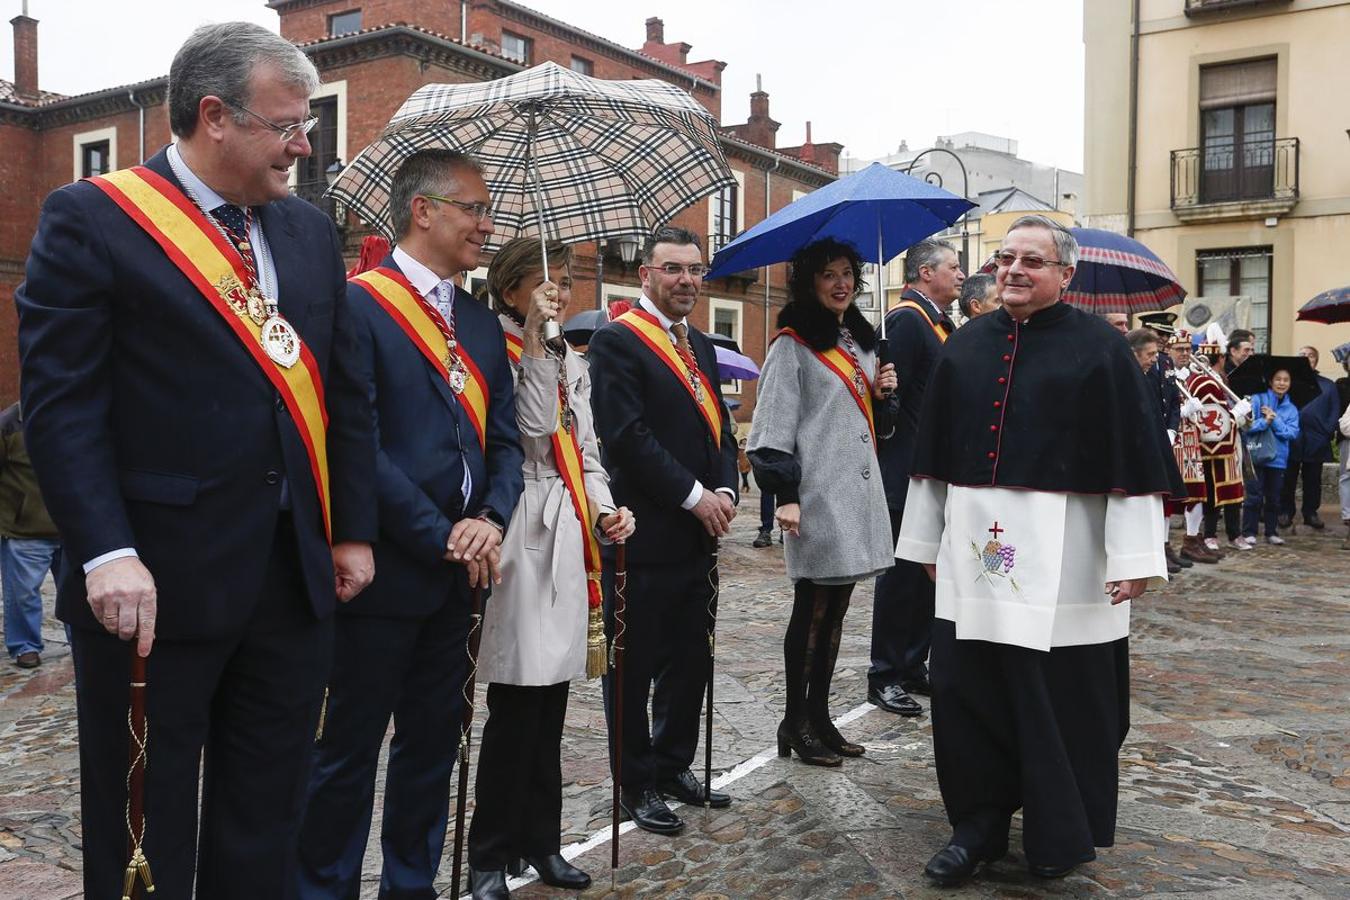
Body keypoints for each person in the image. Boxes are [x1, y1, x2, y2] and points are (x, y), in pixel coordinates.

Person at [15, 24, 377, 898]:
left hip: (290, 583)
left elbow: (342, 396)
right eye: (287, 125)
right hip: (151, 584)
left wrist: (352, 532)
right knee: (145, 821)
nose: (304, 144)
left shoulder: (304, 232)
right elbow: (63, 409)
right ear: (214, 116)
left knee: (265, 817)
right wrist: (104, 550)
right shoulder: (93, 219)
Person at [896, 215, 1177, 887]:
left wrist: (1136, 556)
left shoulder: (1101, 352)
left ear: (1065, 275)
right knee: (969, 693)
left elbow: (1134, 461)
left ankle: (1059, 829)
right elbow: (933, 459)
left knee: (1062, 701)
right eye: (1006, 258)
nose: (1015, 270)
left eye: (1033, 260)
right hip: (974, 559)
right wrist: (925, 539)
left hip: (1071, 562)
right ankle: (977, 826)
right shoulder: (965, 347)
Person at [297, 149, 523, 898]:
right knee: (348, 751)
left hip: (462, 577)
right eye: (474, 209)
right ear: (422, 210)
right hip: (386, 571)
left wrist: (491, 517)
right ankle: (326, 886)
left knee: (433, 747)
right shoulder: (358, 305)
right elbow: (354, 442)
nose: (487, 226)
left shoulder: (483, 323)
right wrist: (441, 534)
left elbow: (506, 443)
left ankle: (409, 884)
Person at [466, 238, 634, 899]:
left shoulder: (570, 357)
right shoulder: (503, 350)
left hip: (569, 533)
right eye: (544, 280)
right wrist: (535, 340)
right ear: (510, 288)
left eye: (564, 280)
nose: (558, 291)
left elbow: (585, 448)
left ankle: (541, 840)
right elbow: (535, 431)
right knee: (515, 702)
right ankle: (488, 853)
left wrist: (607, 509)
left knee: (554, 701)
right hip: (521, 527)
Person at [588, 226, 739, 836]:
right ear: (645, 275)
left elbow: (720, 428)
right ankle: (636, 781)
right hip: (642, 533)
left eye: (695, 270)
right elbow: (626, 436)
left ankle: (674, 762)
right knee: (634, 665)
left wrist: (726, 488)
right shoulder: (617, 342)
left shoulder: (698, 343)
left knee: (690, 659)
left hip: (698, 537)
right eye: (673, 269)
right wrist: (695, 495)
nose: (686, 281)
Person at [747, 238, 898, 767]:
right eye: (828, 275)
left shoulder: (860, 342)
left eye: (848, 274)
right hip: (815, 496)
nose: (841, 284)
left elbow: (879, 427)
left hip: (855, 493)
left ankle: (819, 716)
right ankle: (795, 718)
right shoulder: (793, 344)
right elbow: (769, 431)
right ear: (809, 282)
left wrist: (885, 395)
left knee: (837, 611)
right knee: (810, 609)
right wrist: (785, 495)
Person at [870, 238, 963, 717]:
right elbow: (890, 398)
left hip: (933, 469)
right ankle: (885, 671)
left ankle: (912, 662)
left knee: (928, 573)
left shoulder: (938, 323)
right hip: (906, 468)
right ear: (926, 273)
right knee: (903, 578)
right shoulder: (907, 320)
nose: (962, 274)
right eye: (953, 265)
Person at [0, 403, 62, 669]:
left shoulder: (75, 413)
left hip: (74, 526)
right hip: (25, 529)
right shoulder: (9, 424)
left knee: (80, 595)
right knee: (22, 593)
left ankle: (81, 644)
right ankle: (24, 645)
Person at [1127, 328, 1184, 575]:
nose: (1154, 359)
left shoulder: (1154, 368)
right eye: (1149, 354)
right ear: (1134, 353)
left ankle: (1157, 551)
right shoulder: (1127, 378)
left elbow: (1169, 401)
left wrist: (1170, 430)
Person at [1161, 333, 1219, 564]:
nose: (1185, 353)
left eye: (1187, 349)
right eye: (1180, 349)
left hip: (1192, 441)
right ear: (1170, 350)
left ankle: (1191, 540)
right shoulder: (1165, 374)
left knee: (1196, 493)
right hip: (1173, 439)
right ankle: (1163, 545)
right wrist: (1184, 410)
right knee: (1168, 497)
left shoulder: (1192, 376)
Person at [1278, 346, 1339, 531]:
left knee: (1313, 479)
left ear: (1316, 360)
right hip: (1291, 438)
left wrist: (1326, 431)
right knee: (1287, 478)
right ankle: (1286, 511)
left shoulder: (1328, 385)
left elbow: (1334, 410)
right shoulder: (1286, 383)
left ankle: (1310, 512)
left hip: (1316, 439)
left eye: (1311, 356)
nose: (1306, 358)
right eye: (1302, 355)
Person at [1240, 368, 1300, 546]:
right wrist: (1263, 422)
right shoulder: (1257, 400)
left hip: (1278, 459)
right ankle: (1249, 531)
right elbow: (1246, 426)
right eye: (1278, 379)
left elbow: (1291, 433)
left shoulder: (1292, 409)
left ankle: (1271, 531)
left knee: (1274, 498)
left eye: (1286, 380)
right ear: (1271, 381)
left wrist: (1275, 421)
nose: (1282, 383)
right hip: (1257, 454)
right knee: (1254, 495)